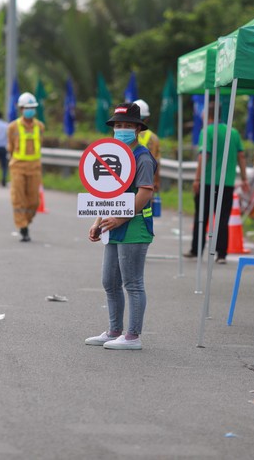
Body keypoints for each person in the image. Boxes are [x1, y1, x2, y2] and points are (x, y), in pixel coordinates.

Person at [85, 103, 157, 350]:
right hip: (113, 225)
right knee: (109, 281)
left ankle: (133, 336)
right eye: (118, 125)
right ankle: (114, 330)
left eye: (127, 125)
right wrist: (98, 222)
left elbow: (146, 192)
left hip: (135, 227)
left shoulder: (143, 157)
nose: (121, 129)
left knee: (133, 283)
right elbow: (106, 192)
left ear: (138, 128)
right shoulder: (114, 154)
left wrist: (121, 218)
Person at [184, 102, 250, 264]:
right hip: (227, 182)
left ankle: (196, 250)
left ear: (208, 114)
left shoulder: (206, 131)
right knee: (222, 218)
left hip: (207, 181)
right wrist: (243, 178)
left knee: (202, 216)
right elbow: (241, 156)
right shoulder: (233, 133)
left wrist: (197, 178)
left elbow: (203, 156)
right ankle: (221, 254)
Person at [7, 92, 44, 242]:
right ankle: (23, 227)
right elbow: (10, 146)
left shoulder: (40, 126)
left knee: (34, 201)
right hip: (18, 167)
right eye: (26, 107)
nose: (30, 110)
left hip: (35, 167)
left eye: (32, 107)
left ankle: (26, 221)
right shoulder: (12, 127)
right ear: (21, 109)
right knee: (19, 198)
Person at [133, 99, 161, 192]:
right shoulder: (154, 138)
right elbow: (156, 162)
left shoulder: (125, 136)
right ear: (147, 118)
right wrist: (156, 182)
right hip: (147, 180)